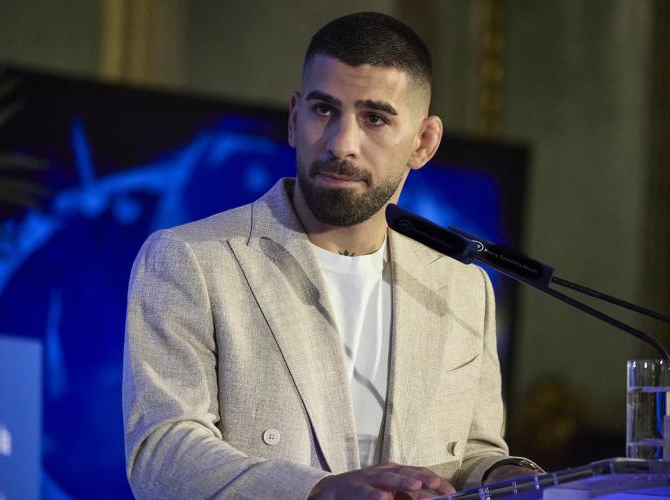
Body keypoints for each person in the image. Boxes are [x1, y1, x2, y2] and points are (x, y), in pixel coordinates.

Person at [123, 11, 540, 499]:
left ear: (423, 142)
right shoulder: (191, 259)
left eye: (375, 118)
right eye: (324, 110)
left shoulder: (463, 286)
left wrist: (513, 477)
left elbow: (472, 452)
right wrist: (320, 491)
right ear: (294, 119)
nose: (342, 143)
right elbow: (162, 454)